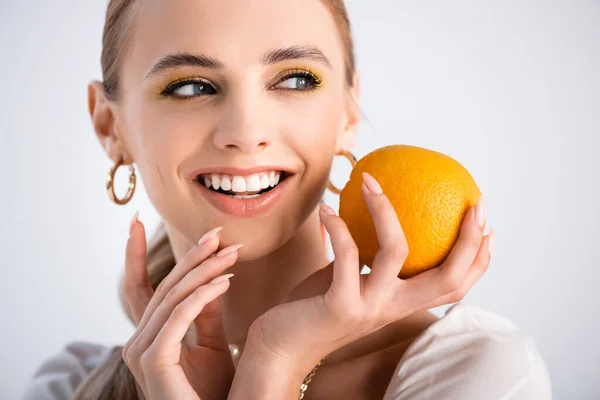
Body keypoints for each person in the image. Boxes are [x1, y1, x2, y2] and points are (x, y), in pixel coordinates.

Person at [20, 0, 552, 399]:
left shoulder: (478, 373)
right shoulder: (66, 387)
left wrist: (275, 360)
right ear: (109, 125)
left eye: (296, 79)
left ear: (347, 113)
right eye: (189, 86)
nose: (246, 131)